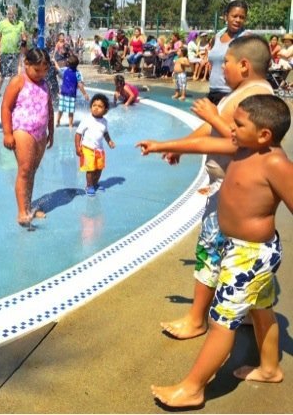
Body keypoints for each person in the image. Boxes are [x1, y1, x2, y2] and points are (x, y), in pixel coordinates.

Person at [141, 95, 292, 409]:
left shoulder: (275, 162)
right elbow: (202, 146)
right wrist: (160, 145)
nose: (230, 129)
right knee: (261, 309)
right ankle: (268, 368)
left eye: (238, 124)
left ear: (264, 134)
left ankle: (193, 387)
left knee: (221, 322)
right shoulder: (244, 147)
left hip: (251, 256)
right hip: (238, 249)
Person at [137, 34, 274, 342]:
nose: (219, 67)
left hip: (230, 191)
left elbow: (233, 141)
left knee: (210, 251)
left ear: (243, 65)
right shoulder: (243, 93)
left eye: (224, 62)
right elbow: (213, 127)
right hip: (229, 188)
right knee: (234, 253)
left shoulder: (254, 99)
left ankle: (197, 319)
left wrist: (166, 144)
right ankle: (249, 310)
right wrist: (180, 146)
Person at [1, 47, 54, 229]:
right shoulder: (19, 81)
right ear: (26, 64)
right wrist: (7, 132)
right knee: (24, 170)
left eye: (44, 70)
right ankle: (21, 212)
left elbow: (50, 109)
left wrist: (51, 131)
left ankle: (28, 206)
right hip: (23, 130)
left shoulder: (45, 84)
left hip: (40, 133)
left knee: (32, 170)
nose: (40, 74)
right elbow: (6, 107)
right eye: (36, 70)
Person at [205, 0, 249, 104]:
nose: (238, 20)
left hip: (232, 94)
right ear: (226, 16)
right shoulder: (218, 36)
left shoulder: (246, 37)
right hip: (213, 91)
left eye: (242, 17)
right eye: (234, 16)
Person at [75, 94, 115, 196]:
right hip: (87, 148)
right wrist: (77, 147)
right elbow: (78, 133)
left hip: (99, 149)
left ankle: (95, 183)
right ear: (90, 107)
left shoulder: (104, 122)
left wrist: (109, 141)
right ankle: (89, 185)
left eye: (100, 106)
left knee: (99, 168)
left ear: (105, 110)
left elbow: (105, 133)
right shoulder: (87, 120)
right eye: (94, 105)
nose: (96, 108)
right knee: (90, 168)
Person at [0, 5, 27, 97]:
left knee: (14, 73)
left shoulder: (20, 23)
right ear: (7, 14)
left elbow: (24, 36)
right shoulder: (2, 23)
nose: (11, 15)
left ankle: (11, 90)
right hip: (4, 51)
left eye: (12, 14)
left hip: (15, 52)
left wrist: (23, 46)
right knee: (2, 73)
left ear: (16, 14)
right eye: (9, 14)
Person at [55, 55, 89, 128]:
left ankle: (58, 121)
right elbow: (80, 85)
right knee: (70, 111)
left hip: (63, 94)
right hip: (71, 95)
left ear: (68, 63)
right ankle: (70, 125)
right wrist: (85, 93)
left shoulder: (65, 70)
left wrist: (54, 62)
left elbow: (58, 69)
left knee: (61, 109)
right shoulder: (77, 73)